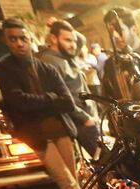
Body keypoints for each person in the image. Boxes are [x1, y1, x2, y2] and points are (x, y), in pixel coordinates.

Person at [0, 18, 80, 189]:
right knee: (68, 183)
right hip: (37, 134)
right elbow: (18, 102)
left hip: (60, 130)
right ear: (6, 41)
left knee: (72, 182)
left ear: (30, 38)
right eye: (13, 39)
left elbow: (67, 101)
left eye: (22, 38)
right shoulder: (4, 68)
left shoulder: (47, 68)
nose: (19, 43)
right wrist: (51, 98)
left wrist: (38, 101)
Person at [38, 20, 100, 157]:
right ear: (53, 39)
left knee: (104, 158)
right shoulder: (50, 61)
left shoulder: (67, 55)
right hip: (80, 121)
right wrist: (85, 118)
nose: (73, 45)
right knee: (105, 161)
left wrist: (60, 24)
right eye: (67, 40)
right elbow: (60, 97)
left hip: (89, 118)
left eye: (74, 41)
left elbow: (81, 39)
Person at [76, 32, 102, 97]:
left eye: (83, 48)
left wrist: (89, 67)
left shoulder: (91, 57)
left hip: (94, 82)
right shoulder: (77, 59)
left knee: (99, 99)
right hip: (86, 84)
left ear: (86, 49)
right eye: (81, 49)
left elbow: (96, 68)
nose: (82, 50)